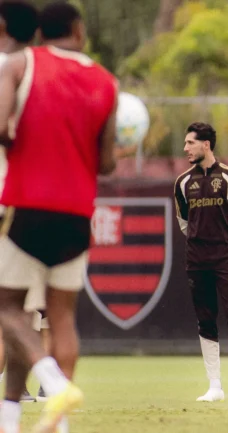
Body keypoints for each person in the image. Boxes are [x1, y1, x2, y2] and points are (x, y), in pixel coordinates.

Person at [0, 2, 121, 431]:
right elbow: (106, 163)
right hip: (77, 213)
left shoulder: (20, 64)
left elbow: (0, 126)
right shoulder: (107, 82)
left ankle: (52, 383)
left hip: (27, 205)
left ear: (41, 32)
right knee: (61, 316)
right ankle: (45, 422)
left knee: (7, 307)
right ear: (79, 31)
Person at [173, 122, 228, 403]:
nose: (185, 148)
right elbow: (184, 223)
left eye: (190, 143)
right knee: (205, 320)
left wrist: (226, 243)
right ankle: (214, 387)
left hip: (226, 259)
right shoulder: (182, 182)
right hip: (196, 261)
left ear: (206, 145)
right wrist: (203, 241)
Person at [0, 0, 38, 401]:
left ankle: (50, 381)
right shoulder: (37, 70)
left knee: (10, 307)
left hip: (9, 201)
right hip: (26, 200)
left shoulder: (9, 68)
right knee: (24, 306)